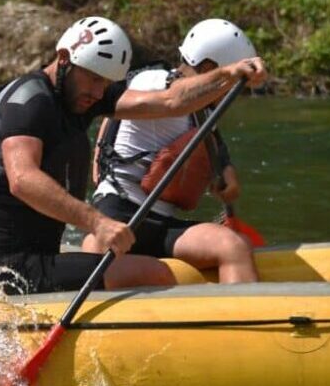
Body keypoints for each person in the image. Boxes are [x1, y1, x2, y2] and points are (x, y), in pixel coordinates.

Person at [0, 16, 267, 295]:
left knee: (162, 268)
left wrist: (229, 74)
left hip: (45, 259)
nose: (99, 92)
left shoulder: (79, 98)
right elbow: (23, 180)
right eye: (95, 80)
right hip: (12, 270)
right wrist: (97, 222)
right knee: (155, 274)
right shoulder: (29, 102)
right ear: (64, 59)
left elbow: (171, 101)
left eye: (106, 83)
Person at [83, 19, 259, 283]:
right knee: (102, 254)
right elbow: (175, 98)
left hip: (161, 226)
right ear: (210, 69)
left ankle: (243, 318)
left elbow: (215, 147)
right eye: (233, 88)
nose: (233, 95)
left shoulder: (203, 110)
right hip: (120, 215)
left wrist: (226, 173)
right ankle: (95, 253)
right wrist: (229, 75)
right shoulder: (151, 81)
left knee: (233, 245)